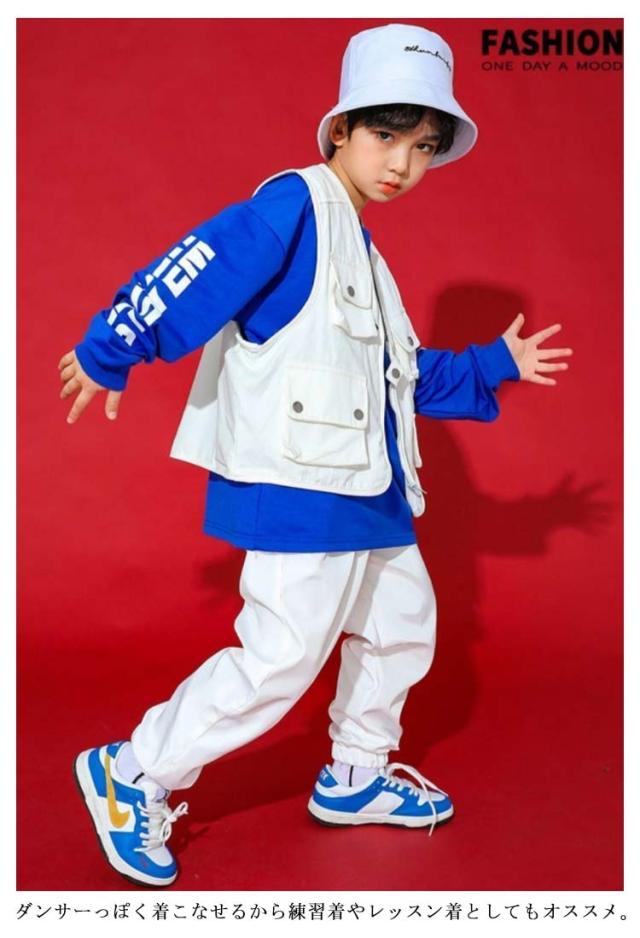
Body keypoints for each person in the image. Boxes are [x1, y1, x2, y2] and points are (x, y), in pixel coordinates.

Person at [59, 23, 572, 888]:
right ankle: (134, 769)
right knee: (280, 658)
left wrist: (494, 365)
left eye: (423, 146)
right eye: (386, 135)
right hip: (301, 488)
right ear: (340, 129)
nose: (401, 163)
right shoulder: (294, 207)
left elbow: (397, 376)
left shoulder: (363, 253)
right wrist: (114, 344)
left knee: (402, 629)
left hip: (371, 494)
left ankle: (356, 774)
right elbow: (200, 265)